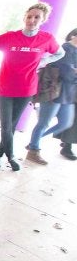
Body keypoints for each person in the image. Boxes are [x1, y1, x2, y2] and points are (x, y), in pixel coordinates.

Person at [0, 2, 64, 171]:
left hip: (26, 89)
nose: (32, 20)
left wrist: (44, 60)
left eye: (37, 17)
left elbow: (60, 53)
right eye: (29, 17)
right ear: (24, 18)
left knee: (11, 126)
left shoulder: (47, 39)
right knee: (6, 126)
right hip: (5, 87)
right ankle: (11, 156)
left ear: (43, 19)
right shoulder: (11, 36)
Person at [28, 28, 77, 164]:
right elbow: (67, 73)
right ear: (74, 35)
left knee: (65, 122)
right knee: (43, 123)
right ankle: (33, 149)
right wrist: (73, 72)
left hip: (68, 94)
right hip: (53, 91)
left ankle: (34, 140)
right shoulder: (66, 49)